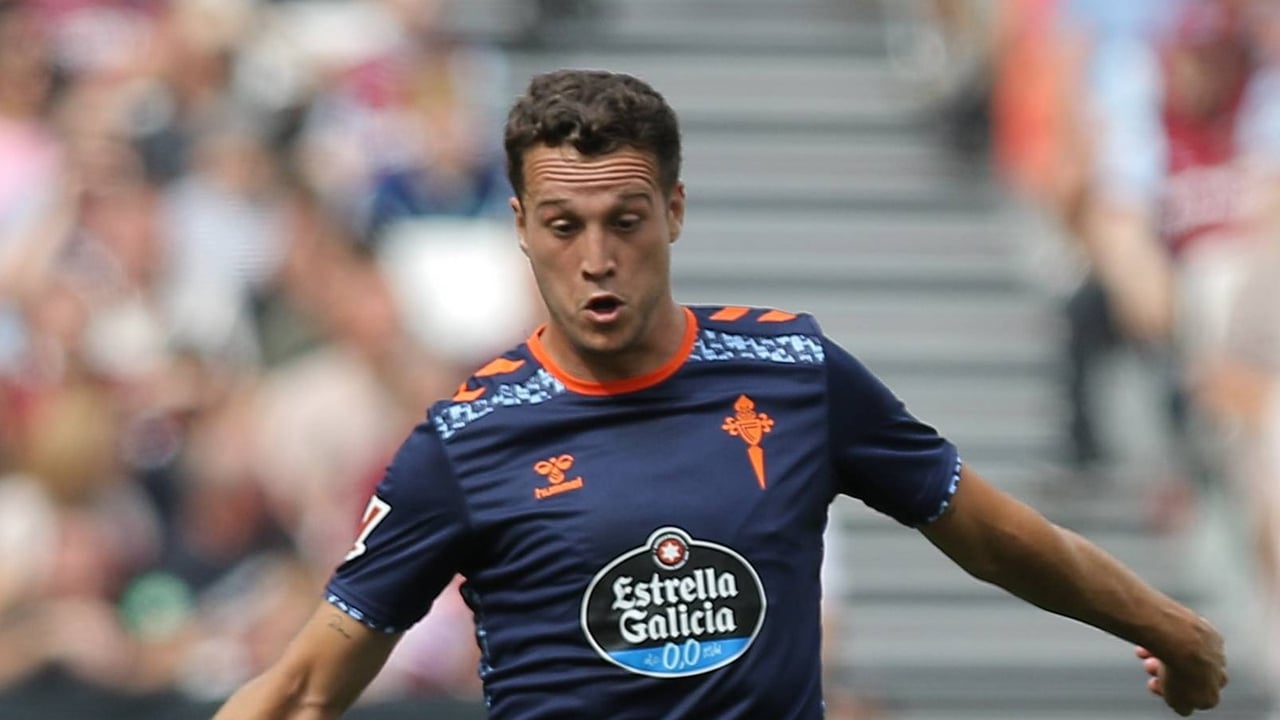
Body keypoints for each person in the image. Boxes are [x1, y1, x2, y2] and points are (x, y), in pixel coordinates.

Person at [212, 69, 1228, 719]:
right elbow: (304, 686)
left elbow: (992, 533)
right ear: (520, 226)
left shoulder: (793, 374)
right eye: (564, 227)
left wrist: (1167, 625)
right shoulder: (467, 439)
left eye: (626, 219)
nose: (597, 258)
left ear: (676, 211)